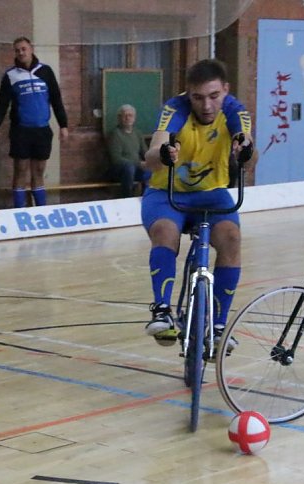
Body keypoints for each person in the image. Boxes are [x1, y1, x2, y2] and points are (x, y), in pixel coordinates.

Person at [142, 59, 254, 351]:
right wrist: (164, 153)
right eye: (198, 97)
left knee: (231, 238)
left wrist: (245, 152)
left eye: (214, 96)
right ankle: (162, 310)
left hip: (212, 194)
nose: (206, 105)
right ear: (187, 94)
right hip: (167, 194)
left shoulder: (235, 112)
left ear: (225, 91)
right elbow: (152, 155)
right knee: (165, 231)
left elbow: (249, 150)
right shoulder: (175, 110)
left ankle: (218, 325)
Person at [0, 36, 68, 208]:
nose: (21, 52)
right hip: (21, 130)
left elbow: (56, 99)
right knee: (21, 170)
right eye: (17, 50)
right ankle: (19, 212)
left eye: (23, 49)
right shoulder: (11, 75)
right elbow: (2, 102)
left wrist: (63, 125)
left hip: (42, 130)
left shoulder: (45, 71)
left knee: (39, 171)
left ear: (31, 49)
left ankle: (40, 211)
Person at [106, 104, 147, 198]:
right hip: (118, 171)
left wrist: (150, 162)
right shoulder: (115, 134)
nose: (127, 118)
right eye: (125, 115)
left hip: (136, 169)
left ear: (134, 118)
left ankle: (146, 199)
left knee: (150, 170)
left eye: (130, 115)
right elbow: (116, 159)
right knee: (129, 168)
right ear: (119, 118)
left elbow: (145, 153)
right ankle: (127, 198)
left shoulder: (138, 133)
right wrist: (138, 163)